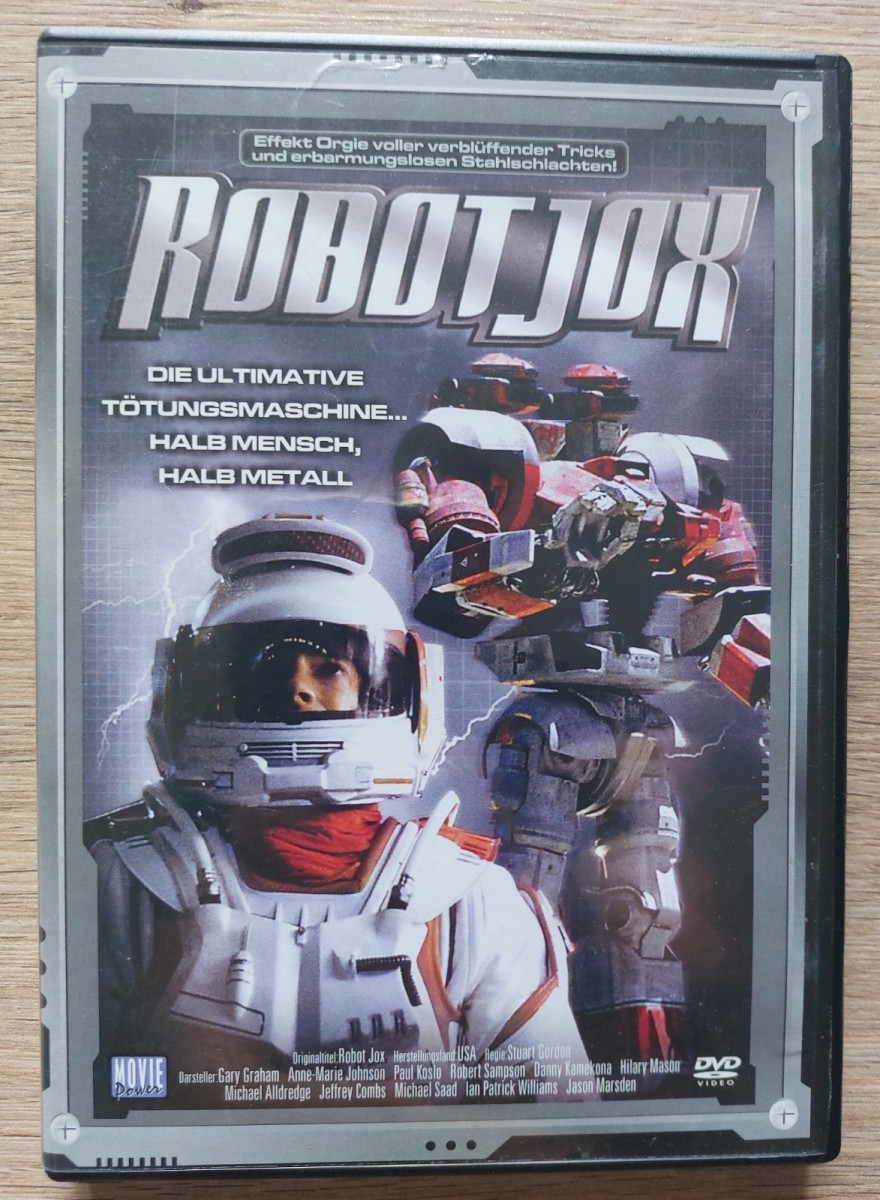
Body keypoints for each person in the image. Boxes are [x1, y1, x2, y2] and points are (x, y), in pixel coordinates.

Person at [89, 514, 589, 1107]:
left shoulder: (471, 904)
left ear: (406, 690)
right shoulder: (123, 887)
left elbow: (550, 1124)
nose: (296, 690)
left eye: (330, 668)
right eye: (265, 668)